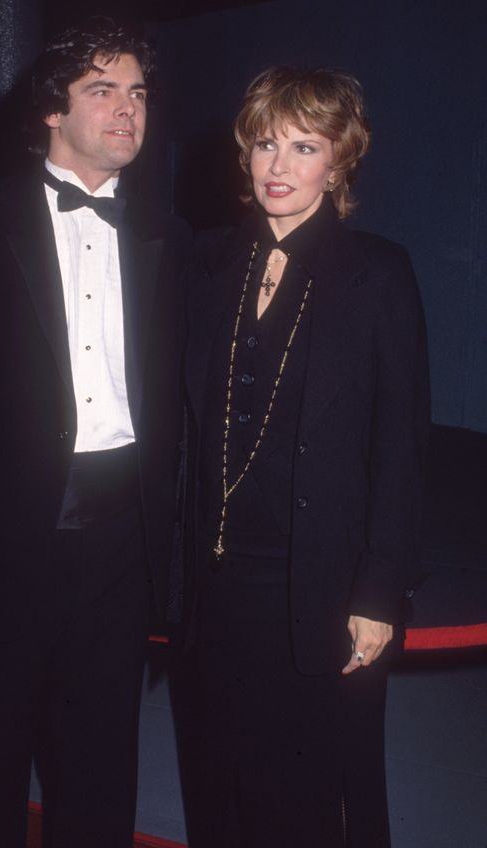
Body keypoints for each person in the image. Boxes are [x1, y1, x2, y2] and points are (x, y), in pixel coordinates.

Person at [0, 17, 190, 848]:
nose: (128, 110)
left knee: (99, 769)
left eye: (138, 93)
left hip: (121, 547)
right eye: (103, 90)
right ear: (51, 110)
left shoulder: (165, 235)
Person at [178, 66, 430, 847]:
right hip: (217, 583)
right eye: (265, 144)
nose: (278, 166)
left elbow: (401, 447)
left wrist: (380, 592)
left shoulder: (379, 274)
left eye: (303, 146)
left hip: (320, 582)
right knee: (220, 787)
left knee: (309, 801)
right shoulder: (207, 262)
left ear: (339, 162)